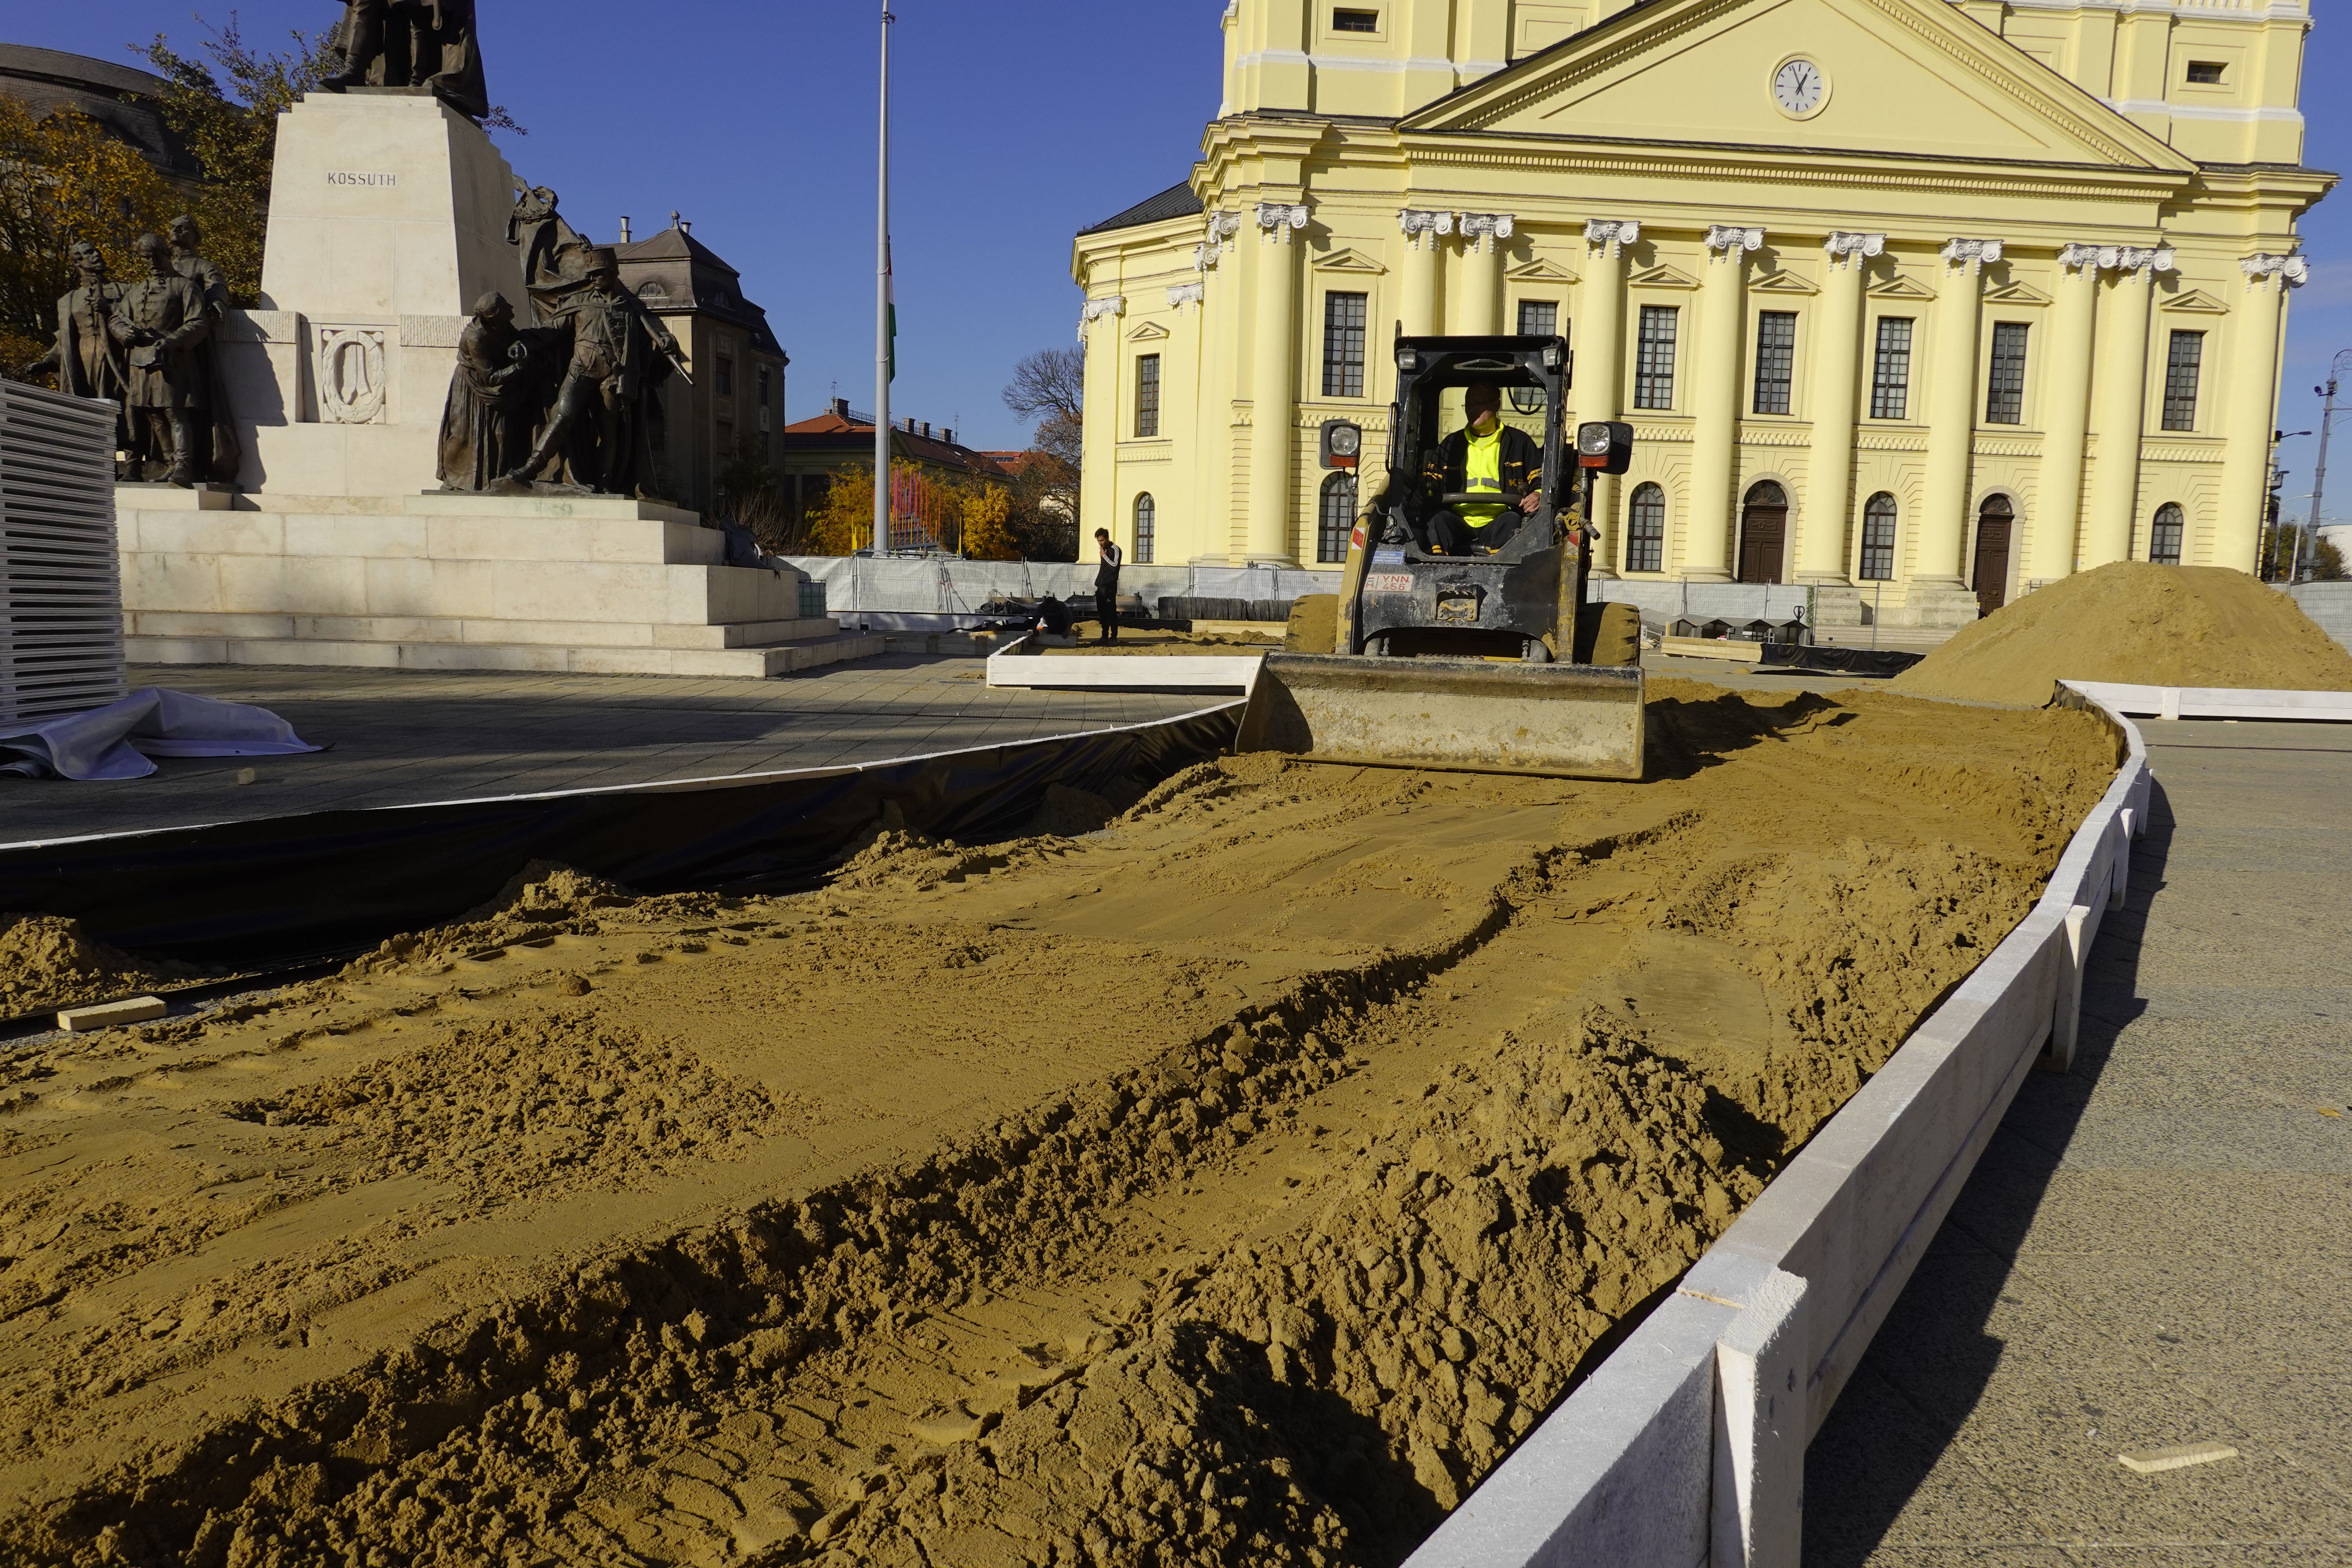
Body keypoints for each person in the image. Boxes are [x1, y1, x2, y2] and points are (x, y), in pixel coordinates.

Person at [499, 246, 683, 497]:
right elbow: (550, 330)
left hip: (615, 375)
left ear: (613, 272)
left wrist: (666, 342)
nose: (592, 279)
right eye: (590, 275)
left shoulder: (631, 309)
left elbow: (646, 349)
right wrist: (525, 342)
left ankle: (604, 482)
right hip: (581, 369)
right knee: (562, 415)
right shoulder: (579, 301)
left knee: (610, 431)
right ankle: (532, 467)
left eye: (598, 274)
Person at [109, 234, 212, 486]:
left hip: (173, 361)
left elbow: (198, 322)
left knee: (175, 414)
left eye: (157, 255)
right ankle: (168, 464)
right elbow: (117, 319)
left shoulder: (184, 287)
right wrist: (124, 333)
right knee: (153, 416)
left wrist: (174, 341)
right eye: (147, 258)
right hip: (140, 363)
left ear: (167, 254)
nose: (153, 262)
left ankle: (183, 468)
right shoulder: (136, 291)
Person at [1419, 381, 1545, 555]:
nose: (1472, 409)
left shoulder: (1520, 443)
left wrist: (1538, 494)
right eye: (1468, 405)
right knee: (1437, 519)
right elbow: (1430, 483)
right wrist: (1423, 495)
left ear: (1497, 405)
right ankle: (1435, 568)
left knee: (1512, 520)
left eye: (1478, 404)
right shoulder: (1451, 445)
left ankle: (1500, 572)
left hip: (1499, 519)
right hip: (1458, 520)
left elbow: (1540, 478)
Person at [435, 291, 532, 489]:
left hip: (498, 386)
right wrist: (518, 367)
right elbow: (491, 377)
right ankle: (454, 479)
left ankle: (495, 479)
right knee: (462, 433)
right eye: (506, 307)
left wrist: (516, 345)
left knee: (500, 434)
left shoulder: (501, 325)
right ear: (493, 316)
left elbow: (513, 337)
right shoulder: (475, 337)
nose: (511, 308)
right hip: (472, 385)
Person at [1092, 526, 1123, 643]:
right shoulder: (1103, 550)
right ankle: (1104, 636)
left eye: (1102, 540)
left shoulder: (1115, 549)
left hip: (1110, 586)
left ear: (1107, 539)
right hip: (1101, 585)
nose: (1101, 543)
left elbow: (1115, 567)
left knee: (1111, 611)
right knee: (1102, 612)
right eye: (1099, 541)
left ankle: (1114, 637)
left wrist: (1104, 556)